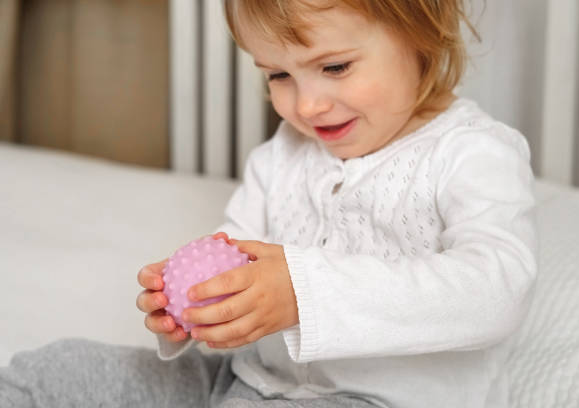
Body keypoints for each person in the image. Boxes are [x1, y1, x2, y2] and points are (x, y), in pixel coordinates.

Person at [0, 1, 537, 407]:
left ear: (420, 33)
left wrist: (305, 295)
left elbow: (498, 289)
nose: (305, 105)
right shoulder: (280, 157)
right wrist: (199, 308)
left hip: (382, 399)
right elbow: (236, 253)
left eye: (334, 67)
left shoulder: (472, 153)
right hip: (246, 379)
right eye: (279, 74)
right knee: (54, 372)